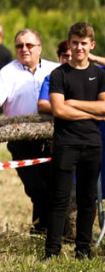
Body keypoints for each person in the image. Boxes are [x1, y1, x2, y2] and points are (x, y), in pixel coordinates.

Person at [0, 29, 59, 235]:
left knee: (55, 188)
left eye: (29, 45)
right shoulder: (8, 71)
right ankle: (42, 231)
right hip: (21, 140)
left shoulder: (55, 69)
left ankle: (50, 233)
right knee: (36, 189)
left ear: (39, 48)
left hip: (52, 139)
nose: (24, 49)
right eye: (19, 46)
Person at [44, 22, 105, 259]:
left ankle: (83, 249)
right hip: (66, 142)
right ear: (69, 44)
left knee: (87, 199)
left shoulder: (98, 74)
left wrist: (75, 104)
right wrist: (94, 112)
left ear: (92, 45)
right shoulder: (58, 74)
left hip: (92, 143)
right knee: (59, 198)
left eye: (84, 43)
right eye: (75, 43)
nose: (79, 47)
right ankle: (52, 251)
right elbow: (59, 111)